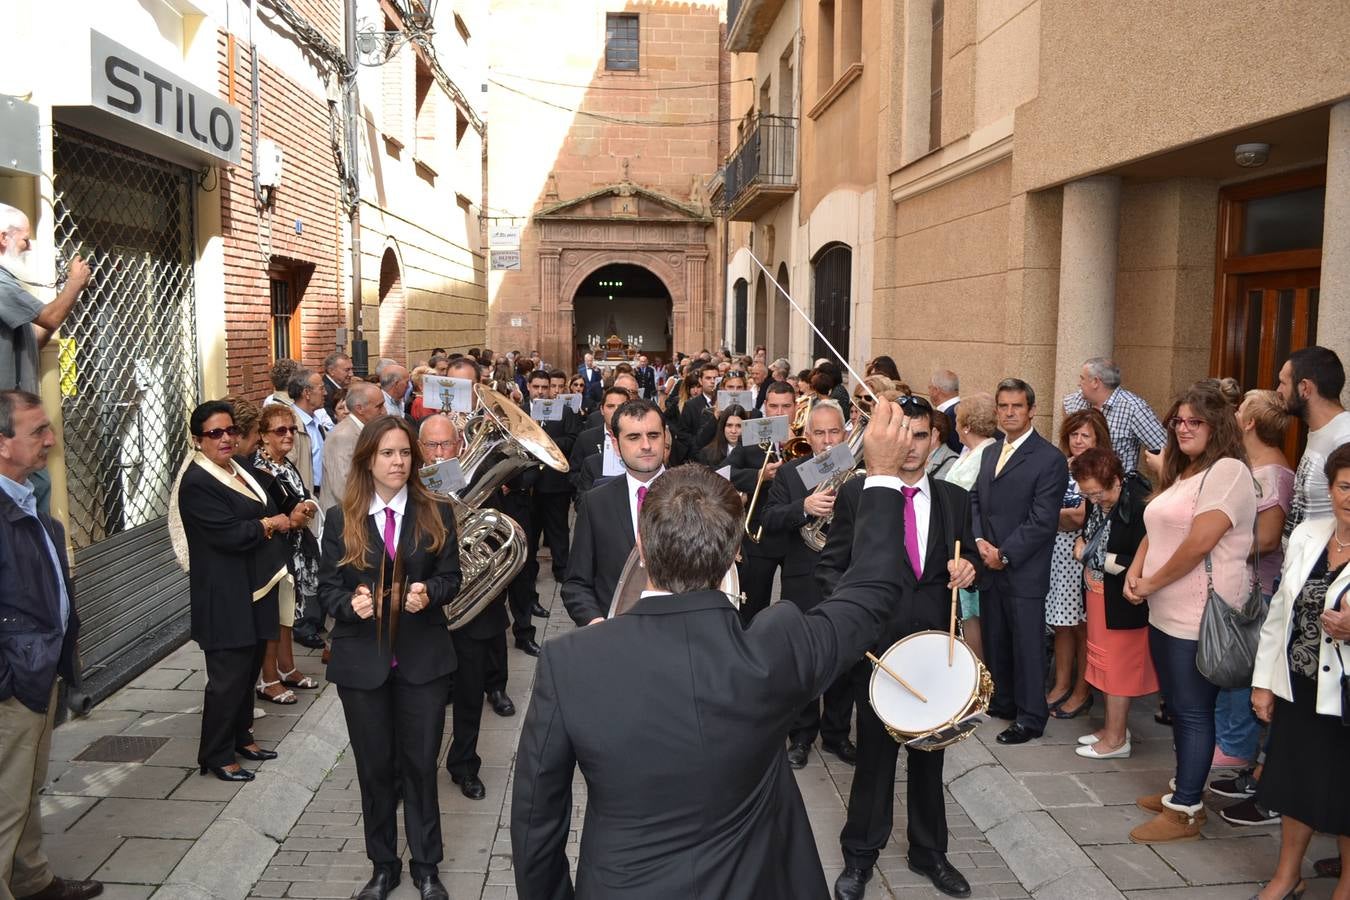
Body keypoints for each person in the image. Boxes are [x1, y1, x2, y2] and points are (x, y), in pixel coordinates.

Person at [512, 401, 967, 899]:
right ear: (734, 553)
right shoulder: (775, 646)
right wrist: (880, 476)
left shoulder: (569, 663)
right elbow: (870, 594)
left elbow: (536, 825)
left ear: (641, 549)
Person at [821, 395, 982, 900]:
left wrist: (968, 567)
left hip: (936, 652)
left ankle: (929, 853)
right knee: (874, 759)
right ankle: (860, 857)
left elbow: (968, 553)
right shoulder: (861, 495)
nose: (909, 446)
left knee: (930, 757)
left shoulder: (955, 499)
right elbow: (830, 567)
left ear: (935, 440)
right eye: (902, 434)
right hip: (878, 654)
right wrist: (850, 618)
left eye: (920, 435)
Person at [317, 416, 461, 900]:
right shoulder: (341, 519)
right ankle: (383, 866)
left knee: (421, 765)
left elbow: (452, 577)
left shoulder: (436, 512)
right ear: (368, 461)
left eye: (404, 453)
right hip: (364, 666)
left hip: (422, 661)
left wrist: (430, 593)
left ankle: (426, 867)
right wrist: (348, 606)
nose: (398, 462)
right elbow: (327, 591)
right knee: (374, 769)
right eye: (388, 454)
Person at [1125, 381, 1257, 843]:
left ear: (1217, 424)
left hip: (1200, 615)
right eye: (1177, 421)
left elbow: (1199, 541)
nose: (1183, 428)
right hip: (1165, 610)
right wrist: (1137, 571)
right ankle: (1183, 786)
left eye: (1194, 421)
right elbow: (1156, 525)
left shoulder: (1229, 472)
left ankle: (1185, 810)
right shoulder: (1188, 469)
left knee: (1194, 711)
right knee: (1180, 709)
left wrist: (1152, 581)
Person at [0, 391, 103, 900]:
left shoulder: (28, 499)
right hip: (14, 686)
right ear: (1, 443)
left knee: (25, 793)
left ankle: (32, 881)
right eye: (37, 430)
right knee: (5, 803)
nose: (51, 440)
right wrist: (10, 680)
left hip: (38, 677)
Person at [1248, 443, 1350, 900]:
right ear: (1330, 488)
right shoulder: (1310, 532)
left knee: (1346, 793)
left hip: (1345, 697)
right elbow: (1279, 615)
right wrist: (1264, 683)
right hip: (1300, 687)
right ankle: (1288, 876)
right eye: (1345, 486)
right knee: (1295, 785)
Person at [178, 400, 290, 782]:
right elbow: (229, 534)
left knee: (248, 669)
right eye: (215, 433)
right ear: (198, 440)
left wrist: (281, 515)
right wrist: (270, 525)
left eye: (230, 431)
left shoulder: (237, 468)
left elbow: (269, 503)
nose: (226, 438)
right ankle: (216, 753)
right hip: (224, 595)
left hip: (255, 588)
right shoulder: (197, 483)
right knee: (227, 678)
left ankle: (243, 738)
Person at [1210, 390, 1296, 825]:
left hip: (1260, 588)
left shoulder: (1276, 474)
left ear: (1248, 423)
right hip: (1241, 584)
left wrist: (1217, 545)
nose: (1234, 412)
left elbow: (1266, 540)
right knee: (1230, 666)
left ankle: (1238, 749)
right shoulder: (1250, 467)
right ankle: (1232, 748)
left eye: (1240, 409)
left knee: (1242, 669)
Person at [970, 378, 1070, 744]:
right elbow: (977, 501)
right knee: (997, 637)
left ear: (1030, 410)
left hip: (1023, 568)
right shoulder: (991, 452)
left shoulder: (1049, 458)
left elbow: (1043, 520)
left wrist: (1005, 554)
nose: (1009, 412)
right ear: (996, 410)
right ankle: (1005, 701)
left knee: (1027, 645)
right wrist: (981, 543)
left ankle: (1031, 717)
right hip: (989, 564)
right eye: (1003, 406)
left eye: (1017, 406)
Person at [419, 415, 513, 801]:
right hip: (425, 611)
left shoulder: (481, 482)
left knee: (471, 695)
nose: (440, 454)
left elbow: (500, 537)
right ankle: (415, 770)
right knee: (424, 700)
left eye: (447, 445)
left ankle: (464, 765)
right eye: (432, 447)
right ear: (420, 448)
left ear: (460, 445)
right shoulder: (408, 487)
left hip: (473, 611)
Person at [760, 400, 856, 769]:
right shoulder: (792, 473)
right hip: (804, 577)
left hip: (847, 576)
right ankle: (801, 735)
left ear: (845, 433)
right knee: (802, 659)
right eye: (820, 433)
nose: (828, 441)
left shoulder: (858, 471)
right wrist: (805, 506)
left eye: (835, 432)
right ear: (808, 436)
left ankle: (837, 735)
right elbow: (770, 518)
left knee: (844, 657)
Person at [1069, 448, 1157, 760]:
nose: (1093, 501)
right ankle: (1112, 729)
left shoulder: (1139, 505)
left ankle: (1117, 740)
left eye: (1097, 493)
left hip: (1122, 602)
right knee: (1104, 666)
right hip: (1099, 596)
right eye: (1087, 494)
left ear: (1117, 480)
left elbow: (1144, 560)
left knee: (1118, 671)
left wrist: (1092, 556)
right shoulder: (1102, 500)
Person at [561, 399, 667, 626]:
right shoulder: (596, 502)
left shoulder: (694, 496)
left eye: (654, 435)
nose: (646, 445)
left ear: (665, 437)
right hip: (613, 636)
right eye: (633, 437)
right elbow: (576, 583)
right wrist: (595, 621)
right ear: (616, 444)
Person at [249, 404, 322, 705]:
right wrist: (297, 513)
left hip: (294, 546)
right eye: (280, 430)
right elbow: (276, 511)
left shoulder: (284, 462)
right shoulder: (260, 467)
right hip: (273, 551)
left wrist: (303, 509)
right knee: (273, 616)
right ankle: (268, 679)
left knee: (288, 613)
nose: (289, 435)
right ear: (263, 436)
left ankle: (287, 667)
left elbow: (300, 500)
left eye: (291, 429)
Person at [1044, 408, 1111, 720]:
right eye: (1074, 434)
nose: (1079, 440)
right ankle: (1060, 684)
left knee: (1082, 627)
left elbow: (1081, 517)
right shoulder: (1060, 464)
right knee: (1061, 623)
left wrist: (1049, 517)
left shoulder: (1100, 468)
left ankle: (1082, 692)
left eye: (1086, 435)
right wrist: (1058, 517)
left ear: (1098, 437)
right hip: (1056, 551)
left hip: (1080, 554)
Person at [0, 205, 91, 395]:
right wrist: (73, 284)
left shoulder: (7, 281)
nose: (29, 246)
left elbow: (35, 339)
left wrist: (69, 295)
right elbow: (50, 318)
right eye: (25, 240)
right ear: (3, 238)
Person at [727, 381, 798, 623]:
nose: (779, 413)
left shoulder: (808, 435)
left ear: (796, 408)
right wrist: (758, 475)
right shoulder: (751, 434)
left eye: (786, 406)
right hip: (760, 534)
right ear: (765, 407)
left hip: (796, 535)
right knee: (754, 604)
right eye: (774, 406)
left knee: (796, 606)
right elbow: (724, 473)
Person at [937, 392, 998, 662]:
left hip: (969, 542)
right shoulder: (977, 452)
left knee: (972, 615)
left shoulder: (984, 456)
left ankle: (978, 675)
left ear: (966, 426)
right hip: (962, 538)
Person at [1278, 346, 1350, 546]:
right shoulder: (1319, 430)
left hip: (1324, 570)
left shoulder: (1344, 436)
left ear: (1305, 388)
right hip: (1299, 566)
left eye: (1283, 383)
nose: (1278, 391)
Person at [1062, 357, 1167, 474]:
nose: (1079, 383)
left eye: (1082, 379)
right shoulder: (1074, 401)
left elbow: (1164, 447)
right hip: (1075, 480)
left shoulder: (1133, 408)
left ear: (1095, 382)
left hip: (1118, 485)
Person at [526, 370, 581, 585]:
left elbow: (573, 439)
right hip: (525, 485)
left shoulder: (565, 411)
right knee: (529, 533)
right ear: (528, 386)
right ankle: (527, 572)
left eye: (545, 387)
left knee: (558, 530)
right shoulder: (519, 411)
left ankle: (562, 571)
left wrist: (547, 443)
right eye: (536, 387)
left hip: (555, 483)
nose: (540, 391)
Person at [319, 383, 384, 511]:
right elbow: (342, 486)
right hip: (345, 517)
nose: (383, 411)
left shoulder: (362, 430)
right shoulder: (343, 436)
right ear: (359, 408)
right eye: (379, 406)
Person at [569, 385, 632, 496]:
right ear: (602, 410)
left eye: (621, 406)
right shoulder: (585, 439)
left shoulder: (637, 439)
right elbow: (574, 473)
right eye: (610, 406)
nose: (616, 411)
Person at [928, 369, 962, 453]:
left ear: (936, 391)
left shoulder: (948, 417)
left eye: (929, 388)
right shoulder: (962, 411)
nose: (928, 392)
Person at [322, 351, 354, 417]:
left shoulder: (338, 387)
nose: (351, 374)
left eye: (351, 369)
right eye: (347, 370)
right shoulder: (326, 392)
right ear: (331, 371)